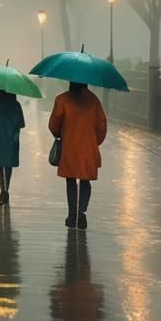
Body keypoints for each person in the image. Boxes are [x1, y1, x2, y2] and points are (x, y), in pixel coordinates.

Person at [48, 82, 107, 230]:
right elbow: (102, 126)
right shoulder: (94, 101)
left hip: (70, 148)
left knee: (71, 180)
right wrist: (94, 141)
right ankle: (81, 212)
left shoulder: (62, 100)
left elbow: (54, 125)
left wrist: (61, 134)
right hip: (88, 148)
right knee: (85, 180)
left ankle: (72, 214)